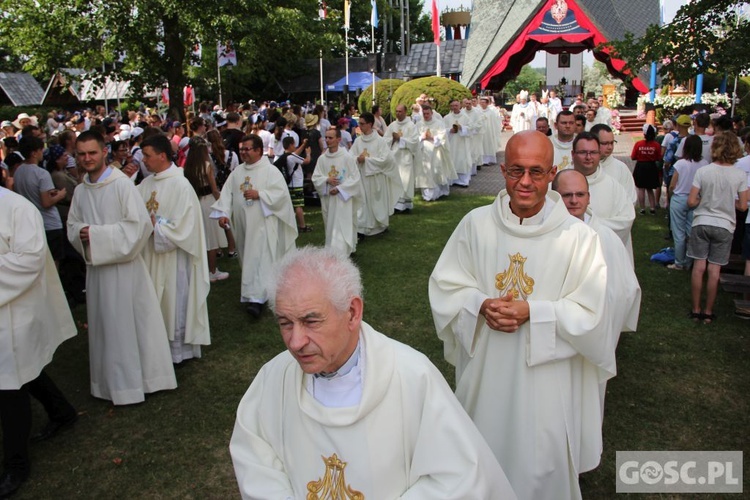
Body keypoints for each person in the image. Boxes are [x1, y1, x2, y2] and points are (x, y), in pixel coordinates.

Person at [229, 246, 517, 499]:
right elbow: (254, 458)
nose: (295, 341)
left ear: (353, 312)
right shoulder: (274, 378)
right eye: (285, 323)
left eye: (310, 321)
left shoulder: (411, 377)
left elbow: (458, 476)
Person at [429, 130, 611, 500]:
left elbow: (592, 311)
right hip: (486, 373)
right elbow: (445, 285)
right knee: (481, 455)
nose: (525, 182)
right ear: (502, 170)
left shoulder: (578, 238)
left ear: (552, 172)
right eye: (515, 171)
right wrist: (480, 304)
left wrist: (534, 312)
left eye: (536, 172)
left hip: (546, 382)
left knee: (539, 465)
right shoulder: (475, 225)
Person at [67, 131, 177, 405]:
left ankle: (138, 382)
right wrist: (82, 232)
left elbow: (139, 227)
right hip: (97, 272)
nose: (87, 158)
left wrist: (95, 235)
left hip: (125, 272)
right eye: (81, 154)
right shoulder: (81, 191)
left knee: (128, 326)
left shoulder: (121, 185)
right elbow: (72, 226)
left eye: (92, 152)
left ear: (104, 152)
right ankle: (108, 383)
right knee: (106, 326)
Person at [0, 185, 78, 498]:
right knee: (19, 371)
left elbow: (29, 261)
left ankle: (16, 465)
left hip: (16, 309)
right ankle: (63, 412)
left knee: (7, 385)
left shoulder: (17, 208)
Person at [551, 169, 641, 416]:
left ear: (589, 198)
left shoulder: (606, 238)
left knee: (587, 394)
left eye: (580, 194)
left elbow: (625, 288)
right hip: (553, 329)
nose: (574, 200)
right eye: (567, 195)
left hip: (594, 328)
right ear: (554, 196)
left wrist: (604, 315)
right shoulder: (544, 234)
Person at [137, 134, 211, 364]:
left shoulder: (181, 184)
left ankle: (179, 352)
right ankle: (156, 349)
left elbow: (186, 227)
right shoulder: (144, 185)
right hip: (150, 255)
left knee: (174, 301)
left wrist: (155, 226)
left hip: (174, 259)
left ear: (162, 155)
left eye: (147, 156)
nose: (144, 161)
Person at [211, 134, 297, 318]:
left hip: (263, 225)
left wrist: (261, 194)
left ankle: (256, 299)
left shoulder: (270, 171)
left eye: (247, 149)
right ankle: (258, 292)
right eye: (241, 149)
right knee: (249, 258)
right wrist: (224, 214)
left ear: (258, 150)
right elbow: (226, 195)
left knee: (260, 258)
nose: (243, 153)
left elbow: (281, 196)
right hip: (243, 226)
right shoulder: (238, 172)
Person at [687, 132, 748, 324]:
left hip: (702, 221)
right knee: (714, 270)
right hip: (724, 225)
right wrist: (730, 202)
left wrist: (702, 200)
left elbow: (691, 201)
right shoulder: (739, 174)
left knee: (699, 267)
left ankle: (696, 309)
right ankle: (708, 312)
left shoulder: (704, 171)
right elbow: (743, 206)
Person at [572, 132, 635, 264]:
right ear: (573, 154)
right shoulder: (562, 183)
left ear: (599, 154)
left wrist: (589, 225)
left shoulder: (614, 187)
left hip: (606, 258)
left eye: (593, 152)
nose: (588, 157)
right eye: (583, 152)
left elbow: (626, 220)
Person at [12, 136, 67, 268]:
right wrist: (60, 195)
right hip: (50, 224)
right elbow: (46, 202)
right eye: (41, 150)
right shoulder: (41, 173)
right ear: (34, 152)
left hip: (30, 223)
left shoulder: (18, 171)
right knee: (53, 262)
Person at [184, 137, 229, 281]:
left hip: (195, 202)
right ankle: (212, 270)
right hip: (208, 201)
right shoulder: (206, 165)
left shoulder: (188, 166)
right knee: (211, 239)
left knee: (201, 236)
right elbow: (214, 189)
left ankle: (200, 270)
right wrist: (221, 203)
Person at [311, 129, 362, 256]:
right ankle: (331, 250)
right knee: (330, 223)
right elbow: (316, 177)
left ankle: (345, 249)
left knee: (343, 223)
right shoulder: (322, 159)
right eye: (326, 137)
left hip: (343, 198)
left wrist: (340, 189)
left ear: (339, 139)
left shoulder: (347, 157)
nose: (327, 140)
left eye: (330, 138)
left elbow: (355, 178)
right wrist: (327, 180)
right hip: (328, 197)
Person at [349, 112, 400, 237]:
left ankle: (378, 226)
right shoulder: (358, 141)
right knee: (363, 203)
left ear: (370, 124)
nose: (359, 126)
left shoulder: (380, 141)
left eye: (362, 124)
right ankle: (363, 227)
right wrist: (357, 159)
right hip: (362, 177)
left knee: (376, 203)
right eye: (359, 124)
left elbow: (387, 160)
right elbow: (350, 157)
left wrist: (367, 160)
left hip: (376, 178)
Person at [668, 135, 709, 270]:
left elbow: (673, 185)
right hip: (696, 199)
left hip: (679, 199)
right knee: (691, 232)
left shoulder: (680, 164)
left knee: (678, 233)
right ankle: (689, 261)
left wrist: (670, 195)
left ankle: (679, 262)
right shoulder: (704, 164)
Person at [416, 105, 456, 202]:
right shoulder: (419, 124)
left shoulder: (438, 123)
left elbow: (443, 136)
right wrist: (422, 137)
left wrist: (432, 137)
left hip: (436, 151)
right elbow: (414, 137)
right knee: (425, 172)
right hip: (423, 151)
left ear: (432, 113)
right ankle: (427, 194)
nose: (426, 115)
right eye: (424, 114)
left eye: (427, 113)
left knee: (435, 171)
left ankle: (438, 192)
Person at [386, 104, 420, 212]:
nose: (398, 113)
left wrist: (400, 139)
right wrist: (392, 139)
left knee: (405, 180)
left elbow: (415, 142)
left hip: (405, 157)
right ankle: (395, 204)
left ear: (405, 112)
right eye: (396, 111)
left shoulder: (411, 126)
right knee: (395, 180)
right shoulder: (392, 125)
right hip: (394, 158)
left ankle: (405, 205)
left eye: (400, 111)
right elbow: (384, 140)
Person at [591, 124, 637, 204]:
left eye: (612, 143)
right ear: (592, 142)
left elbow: (630, 198)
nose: (610, 147)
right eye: (605, 143)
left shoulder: (621, 168)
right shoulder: (581, 165)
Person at [631, 124, 663, 214]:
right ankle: (652, 208)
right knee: (650, 189)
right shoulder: (656, 145)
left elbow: (633, 157)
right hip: (651, 167)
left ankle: (642, 208)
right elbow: (659, 157)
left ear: (644, 134)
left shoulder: (638, 144)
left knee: (641, 188)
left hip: (640, 167)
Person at [446, 99, 474, 187]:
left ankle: (463, 181)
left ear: (460, 106)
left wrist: (461, 127)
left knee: (462, 160)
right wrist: (449, 131)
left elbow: (471, 128)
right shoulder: (447, 118)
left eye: (456, 106)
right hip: (451, 143)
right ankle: (452, 180)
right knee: (452, 160)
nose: (454, 108)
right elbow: (442, 130)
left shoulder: (465, 117)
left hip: (462, 143)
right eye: (452, 106)